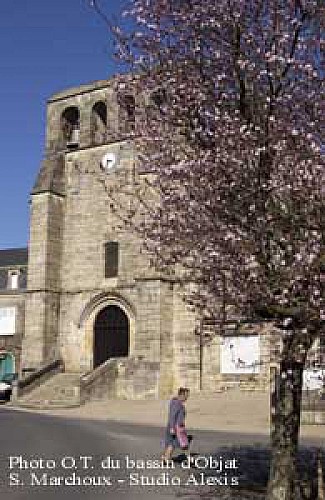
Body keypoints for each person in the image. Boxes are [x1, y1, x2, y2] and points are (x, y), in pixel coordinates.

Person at [161, 387, 190, 462]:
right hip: (176, 427)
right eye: (186, 396)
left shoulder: (177, 403)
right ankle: (166, 458)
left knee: (172, 443)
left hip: (176, 426)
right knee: (175, 443)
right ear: (181, 395)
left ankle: (165, 457)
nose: (187, 398)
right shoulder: (176, 403)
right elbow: (172, 416)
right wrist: (172, 428)